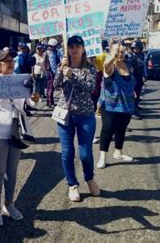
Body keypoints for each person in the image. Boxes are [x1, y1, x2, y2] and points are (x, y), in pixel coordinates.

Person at [0, 49, 40, 226]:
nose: (11, 63)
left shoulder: (22, 80)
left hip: (16, 134)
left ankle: (9, 204)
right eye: (6, 61)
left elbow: (30, 103)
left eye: (12, 60)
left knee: (12, 170)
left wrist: (35, 98)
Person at [54, 35, 100, 202]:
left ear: (83, 49)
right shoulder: (63, 65)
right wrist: (62, 70)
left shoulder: (90, 68)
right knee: (67, 152)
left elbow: (90, 88)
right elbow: (56, 86)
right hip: (65, 115)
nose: (74, 49)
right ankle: (72, 184)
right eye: (71, 46)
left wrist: (72, 75)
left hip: (85, 114)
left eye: (77, 46)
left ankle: (89, 178)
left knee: (85, 153)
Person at [97, 43, 136, 169]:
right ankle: (102, 157)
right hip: (110, 105)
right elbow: (106, 66)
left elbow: (131, 80)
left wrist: (132, 90)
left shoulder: (128, 65)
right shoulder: (110, 66)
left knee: (121, 128)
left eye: (122, 52)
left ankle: (118, 152)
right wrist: (112, 57)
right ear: (111, 52)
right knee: (107, 129)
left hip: (127, 104)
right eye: (117, 52)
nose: (120, 54)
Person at [128, 39, 145, 120]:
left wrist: (145, 75)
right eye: (134, 48)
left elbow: (143, 67)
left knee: (138, 94)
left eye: (137, 48)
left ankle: (136, 107)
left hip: (139, 77)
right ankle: (133, 112)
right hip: (133, 78)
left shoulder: (142, 56)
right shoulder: (130, 57)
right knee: (133, 95)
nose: (135, 49)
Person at [45, 38, 60, 108]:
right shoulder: (51, 53)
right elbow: (53, 65)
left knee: (50, 88)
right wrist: (56, 74)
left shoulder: (47, 52)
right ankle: (50, 102)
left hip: (49, 72)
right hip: (51, 73)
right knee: (51, 88)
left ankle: (50, 101)